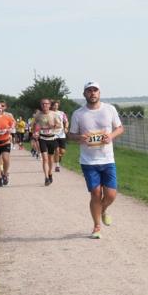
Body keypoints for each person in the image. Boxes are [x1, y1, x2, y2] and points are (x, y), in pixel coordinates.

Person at [68, 81, 124, 239]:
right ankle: (97, 226)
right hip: (88, 161)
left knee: (111, 195)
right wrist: (79, 137)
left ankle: (103, 209)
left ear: (99, 93)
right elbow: (70, 135)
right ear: (84, 94)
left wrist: (110, 136)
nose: (92, 93)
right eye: (89, 90)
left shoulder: (109, 109)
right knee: (95, 193)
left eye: (95, 90)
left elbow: (120, 128)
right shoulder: (78, 114)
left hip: (107, 158)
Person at [32, 98, 64, 186]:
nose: (44, 105)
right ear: (41, 105)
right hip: (42, 139)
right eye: (42, 104)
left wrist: (53, 125)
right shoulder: (38, 115)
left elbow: (59, 125)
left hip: (52, 138)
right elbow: (35, 125)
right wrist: (35, 132)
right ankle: (46, 177)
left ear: (50, 105)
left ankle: (50, 173)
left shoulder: (54, 114)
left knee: (50, 159)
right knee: (45, 159)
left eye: (46, 104)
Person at [51, 100, 69, 173]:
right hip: (53, 135)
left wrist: (66, 127)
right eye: (54, 105)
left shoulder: (62, 113)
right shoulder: (49, 113)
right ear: (52, 106)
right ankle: (57, 166)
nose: (56, 106)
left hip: (61, 134)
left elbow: (66, 121)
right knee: (57, 151)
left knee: (62, 151)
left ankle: (58, 158)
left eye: (57, 105)